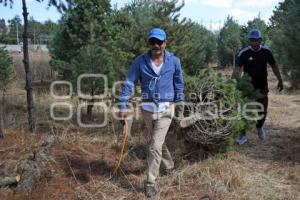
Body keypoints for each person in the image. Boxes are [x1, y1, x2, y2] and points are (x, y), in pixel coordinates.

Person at [118, 28, 184, 197]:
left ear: (165, 43)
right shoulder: (140, 62)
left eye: (159, 42)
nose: (156, 45)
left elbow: (179, 83)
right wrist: (123, 104)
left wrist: (180, 104)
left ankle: (150, 181)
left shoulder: (174, 61)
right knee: (157, 143)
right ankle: (169, 166)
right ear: (148, 43)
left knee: (154, 145)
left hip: (166, 108)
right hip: (147, 110)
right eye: (152, 42)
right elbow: (129, 82)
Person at [233, 29, 283, 145]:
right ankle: (242, 134)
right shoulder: (243, 53)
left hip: (262, 87)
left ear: (260, 40)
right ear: (249, 41)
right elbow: (237, 70)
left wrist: (280, 79)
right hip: (247, 88)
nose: (254, 42)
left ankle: (259, 127)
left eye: (256, 40)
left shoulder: (266, 52)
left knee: (263, 111)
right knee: (244, 111)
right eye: (251, 40)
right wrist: (234, 84)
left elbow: (274, 66)